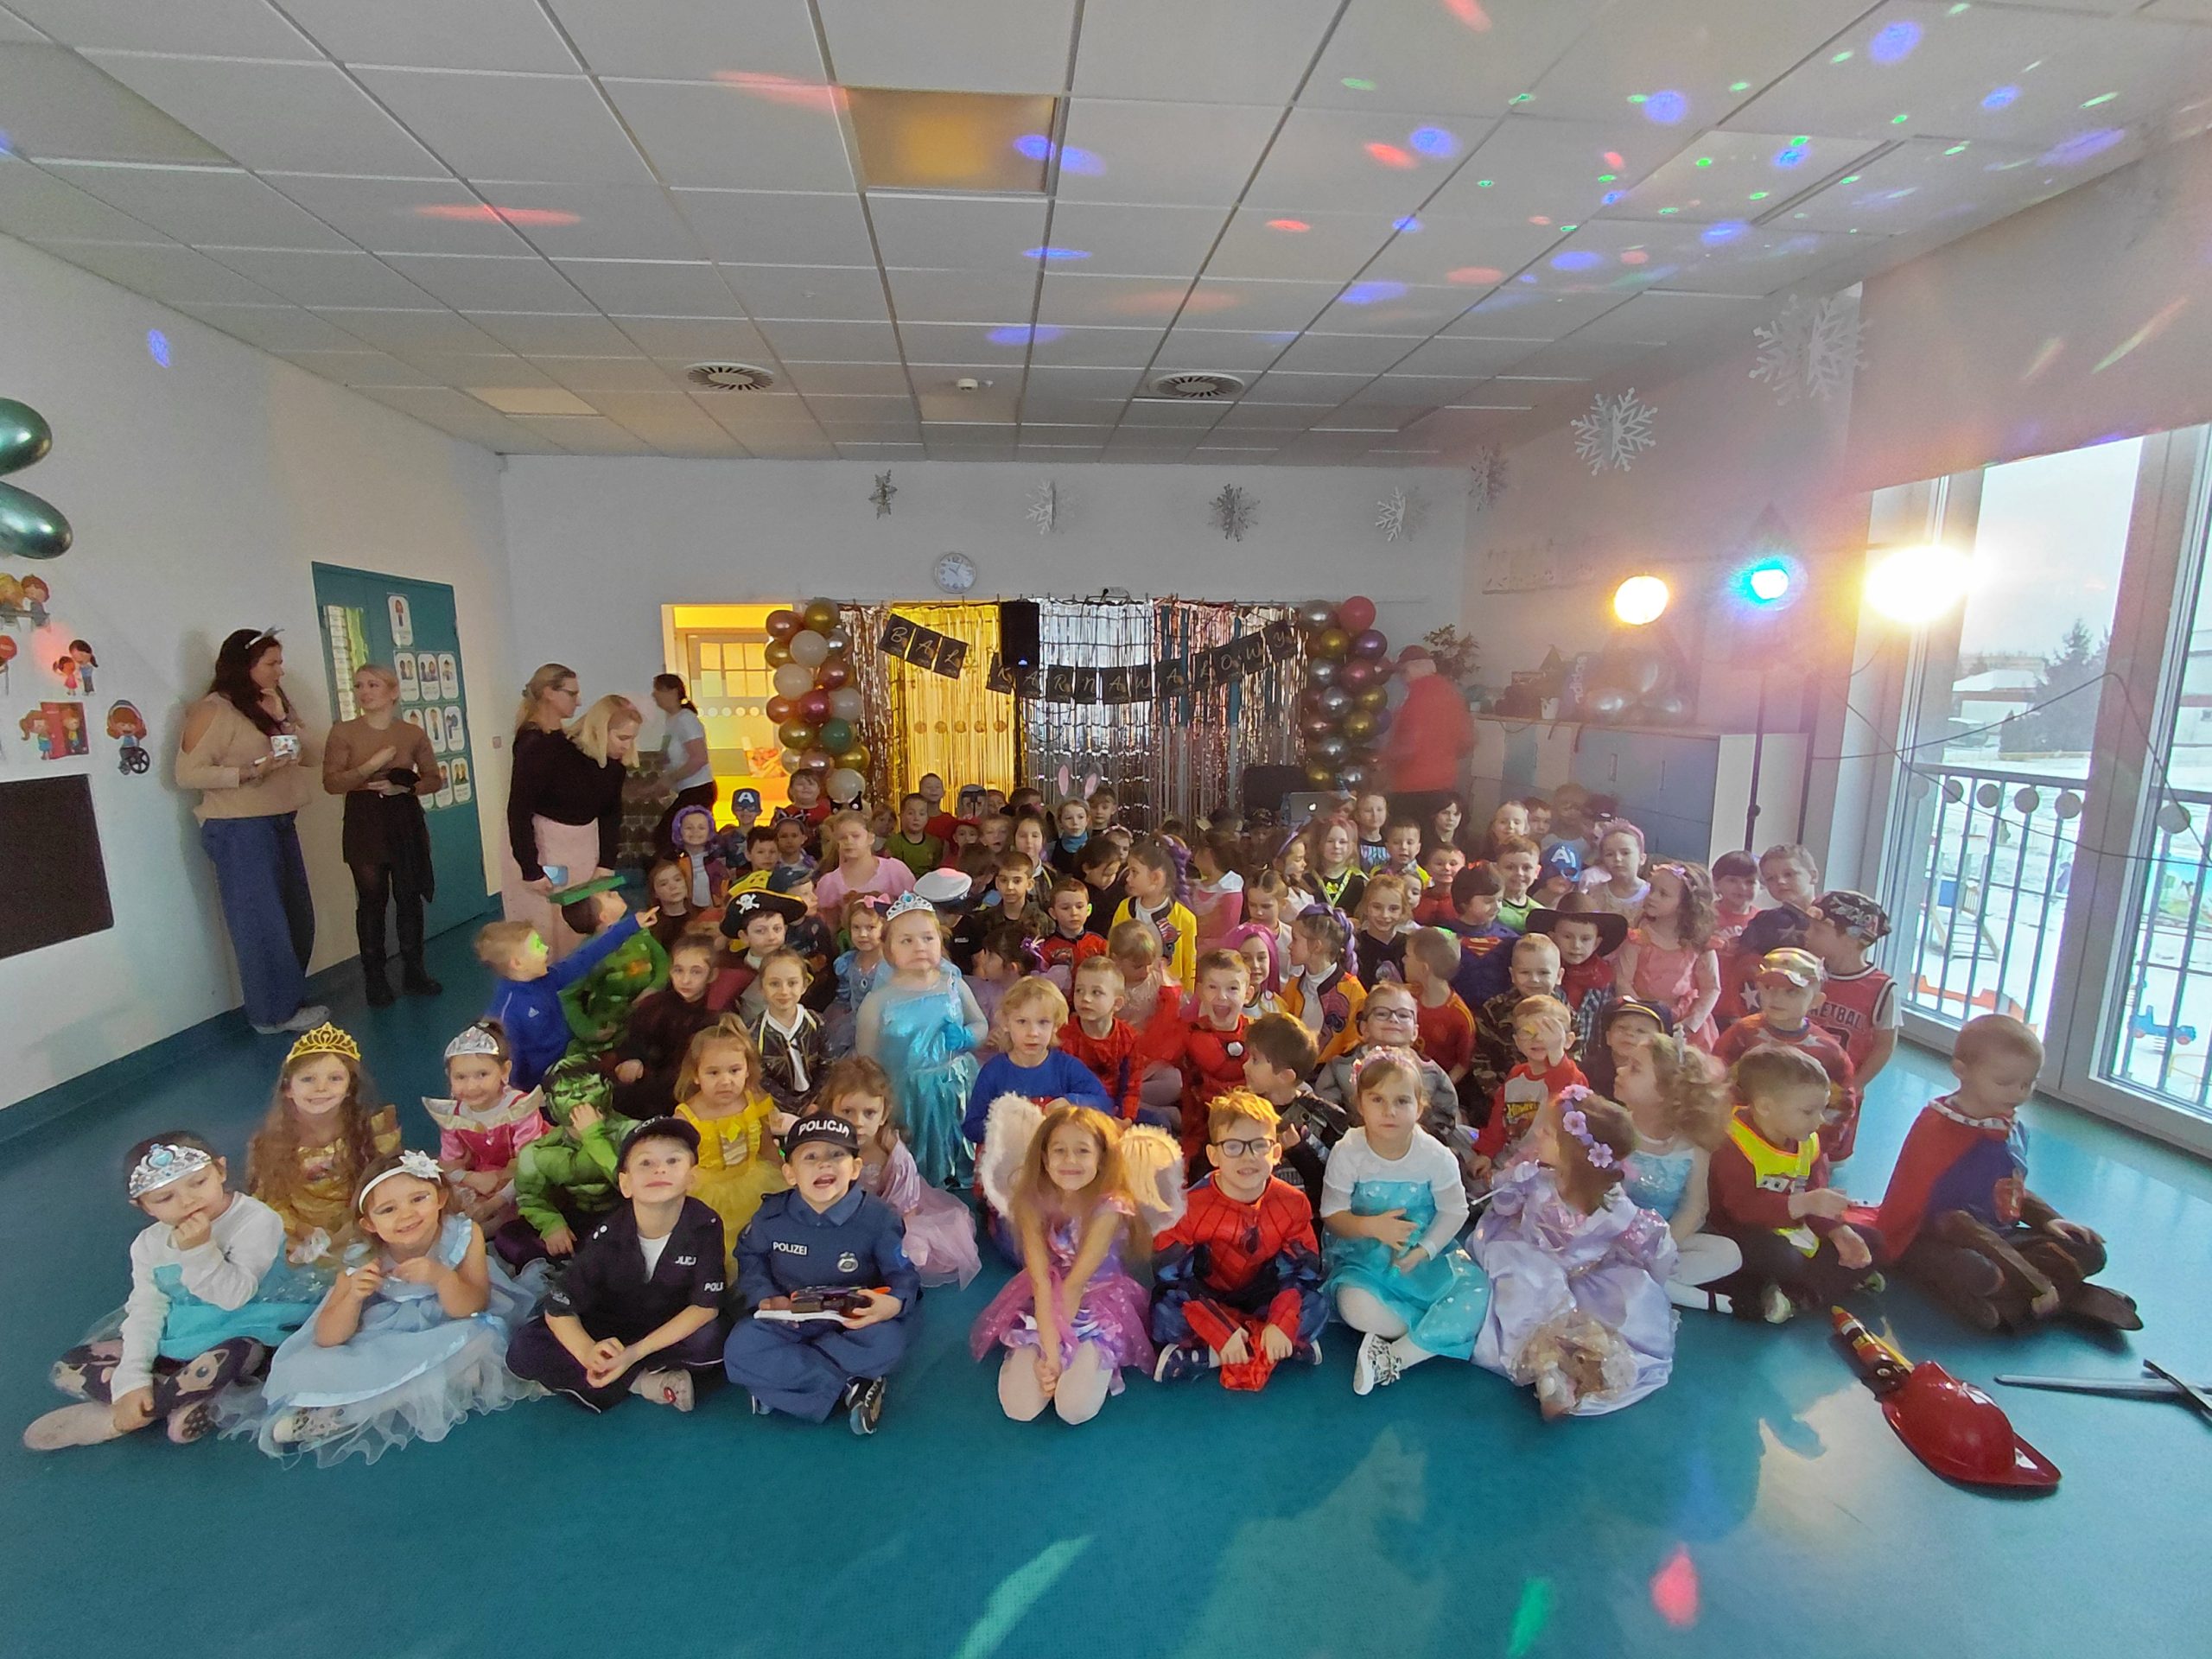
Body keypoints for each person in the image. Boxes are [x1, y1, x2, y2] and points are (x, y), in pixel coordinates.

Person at [219, 1150, 543, 1461]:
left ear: (441, 1198)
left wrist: (442, 1278)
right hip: (389, 1331)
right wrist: (353, 1297)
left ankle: (349, 1412)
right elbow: (328, 1336)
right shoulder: (361, 1255)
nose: (406, 1215)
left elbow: (473, 1305)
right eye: (388, 1210)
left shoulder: (463, 1233)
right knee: (314, 1364)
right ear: (370, 1224)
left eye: (418, 1199)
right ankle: (343, 1408)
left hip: (452, 1318)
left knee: (482, 1337)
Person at [24, 1133, 318, 1452]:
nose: (188, 1201)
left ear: (220, 1171)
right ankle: (165, 1394)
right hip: (181, 1336)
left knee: (236, 1355)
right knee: (69, 1366)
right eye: (165, 1198)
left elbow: (235, 1297)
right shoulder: (148, 1245)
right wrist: (132, 1378)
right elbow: (147, 1308)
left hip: (252, 1329)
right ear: (143, 1207)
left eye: (198, 1182)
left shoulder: (255, 1219)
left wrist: (199, 1250)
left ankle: (121, 1418)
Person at [1876, 1014, 2138, 1332]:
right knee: (1980, 1272)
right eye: (2004, 1083)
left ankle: (2017, 1303)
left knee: (2090, 1250)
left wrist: (2049, 1220)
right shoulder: (1937, 1129)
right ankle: (2050, 1294)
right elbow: (1950, 1221)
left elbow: (2007, 1189)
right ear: (1961, 1071)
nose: (2018, 1093)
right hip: (1942, 1238)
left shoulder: (2008, 1125)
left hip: (2000, 1236)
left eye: (2028, 1084)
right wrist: (2035, 1280)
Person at [1471, 1091, 1676, 1419]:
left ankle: (1565, 1372)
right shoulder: (1537, 1180)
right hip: (1527, 1259)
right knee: (1527, 1280)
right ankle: (1547, 1369)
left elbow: (1657, 1249)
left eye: (1549, 1132)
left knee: (1619, 1308)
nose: (1539, 1133)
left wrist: (1654, 1286)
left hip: (1583, 1277)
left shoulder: (1616, 1209)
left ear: (1576, 1154)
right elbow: (1503, 1207)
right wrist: (1511, 1182)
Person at [506, 1116, 728, 1413]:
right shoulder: (608, 1234)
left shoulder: (706, 1224)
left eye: (673, 1161)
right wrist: (588, 1354)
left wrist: (634, 1353)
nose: (660, 1169)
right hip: (608, 1331)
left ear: (692, 1177)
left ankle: (622, 1375)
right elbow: (559, 1307)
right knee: (525, 1348)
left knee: (716, 1339)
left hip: (665, 1328)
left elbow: (705, 1307)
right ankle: (642, 1382)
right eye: (645, 1163)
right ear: (625, 1184)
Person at [722, 1115, 918, 1433]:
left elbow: (904, 1276)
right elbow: (749, 1256)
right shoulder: (771, 1216)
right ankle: (851, 1386)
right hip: (790, 1319)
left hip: (852, 1323)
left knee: (888, 1343)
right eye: (810, 1157)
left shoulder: (879, 1219)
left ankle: (780, 1386)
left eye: (836, 1155)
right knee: (740, 1348)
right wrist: (766, 1297)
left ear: (855, 1168)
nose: (824, 1164)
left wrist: (893, 1303)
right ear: (790, 1173)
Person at [175, 627, 327, 1035]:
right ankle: (270, 1014)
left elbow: (314, 756)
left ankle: (287, 999)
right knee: (260, 923)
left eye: (280, 661)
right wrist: (247, 773)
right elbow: (187, 773)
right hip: (238, 827)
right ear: (245, 666)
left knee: (296, 917)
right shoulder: (215, 710)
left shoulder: (274, 703)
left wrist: (286, 721)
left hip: (280, 819)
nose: (281, 670)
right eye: (272, 663)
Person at [970, 1103, 1158, 1425]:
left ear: (1102, 1159)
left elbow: (1075, 1284)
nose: (1070, 1160)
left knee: (1073, 1409)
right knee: (1020, 1408)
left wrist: (1062, 1349)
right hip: (1045, 1297)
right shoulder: (1031, 1202)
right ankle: (1031, 1348)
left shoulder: (1110, 1207)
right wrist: (1049, 1354)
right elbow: (1042, 1281)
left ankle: (1092, 1355)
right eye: (1059, 1151)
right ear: (1045, 1158)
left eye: (1082, 1151)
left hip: (1098, 1299)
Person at [1322, 1048, 1487, 1395]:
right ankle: (1432, 1332)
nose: (1390, 1111)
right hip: (1365, 1258)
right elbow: (1333, 1214)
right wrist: (1370, 1227)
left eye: (1402, 1101)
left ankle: (1396, 1356)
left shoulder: (1436, 1156)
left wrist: (1423, 1250)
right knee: (1354, 1307)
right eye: (1377, 1100)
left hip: (1424, 1259)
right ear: (1360, 1103)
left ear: (1419, 1107)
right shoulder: (1348, 1150)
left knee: (1477, 1297)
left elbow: (1455, 1211)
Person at [1150, 1090, 1326, 1389]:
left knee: (1317, 1306)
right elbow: (1171, 1277)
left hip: (1265, 1295)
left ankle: (1209, 1355)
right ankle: (1267, 1347)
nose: (1248, 1156)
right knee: (1164, 1312)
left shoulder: (1294, 1203)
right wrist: (1217, 1328)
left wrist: (1281, 1320)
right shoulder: (1188, 1207)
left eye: (1259, 1145)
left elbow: (1302, 1272)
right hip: (1207, 1294)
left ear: (1276, 1153)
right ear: (1213, 1156)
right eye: (1233, 1146)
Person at [1707, 1046, 1882, 1323]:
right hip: (1742, 1231)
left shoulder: (1808, 1140)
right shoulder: (1732, 1141)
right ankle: (1814, 1289)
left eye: (1822, 1110)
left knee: (1872, 1241)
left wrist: (1837, 1230)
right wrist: (1804, 1204)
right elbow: (1741, 1209)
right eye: (1808, 1111)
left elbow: (1815, 1193)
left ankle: (1792, 1294)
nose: (1819, 1121)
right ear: (1765, 1107)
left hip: (1795, 1228)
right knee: (1781, 1258)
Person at [322, 662, 442, 1007]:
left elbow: (434, 778)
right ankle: (374, 977)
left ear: (393, 692)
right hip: (365, 819)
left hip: (403, 817)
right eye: (359, 685)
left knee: (409, 895)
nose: (365, 692)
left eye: (373, 685)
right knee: (372, 899)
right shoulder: (343, 733)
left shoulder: (412, 733)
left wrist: (406, 788)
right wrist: (370, 766)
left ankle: (414, 972)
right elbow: (332, 782)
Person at [858, 892, 988, 1189]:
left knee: (962, 1145)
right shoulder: (878, 1002)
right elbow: (866, 1064)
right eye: (907, 941)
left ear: (940, 942)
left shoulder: (953, 985)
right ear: (889, 950)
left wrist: (967, 1036)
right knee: (917, 1158)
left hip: (956, 1087)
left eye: (928, 938)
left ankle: (966, 1186)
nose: (920, 947)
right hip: (909, 1097)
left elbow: (980, 1024)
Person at [248, 1022, 400, 1268]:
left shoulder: (374, 1130)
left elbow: (388, 1184)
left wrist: (354, 1227)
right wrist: (303, 1231)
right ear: (288, 1088)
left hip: (367, 1228)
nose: (321, 1088)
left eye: (335, 1078)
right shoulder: (271, 1143)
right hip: (304, 1240)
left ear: (349, 1088)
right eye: (308, 1079)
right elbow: (272, 1201)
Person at [822, 1056, 981, 1288]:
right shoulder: (823, 1145)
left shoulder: (894, 1156)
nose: (857, 1122)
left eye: (869, 1113)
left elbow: (905, 1210)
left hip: (888, 1218)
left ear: (884, 1115)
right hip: (836, 1217)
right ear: (830, 1110)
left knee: (906, 1254)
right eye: (847, 1111)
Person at [1614, 1031, 1742, 1313]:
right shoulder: (1614, 1129)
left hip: (1664, 1241)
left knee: (1729, 1253)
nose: (1621, 1070)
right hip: (1613, 1238)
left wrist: (1662, 1246)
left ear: (1668, 1094)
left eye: (1634, 1068)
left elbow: (1695, 1207)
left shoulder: (1693, 1146)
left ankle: (1640, 1282)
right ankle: (1706, 1301)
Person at [506, 691, 640, 960]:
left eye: (632, 739)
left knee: (582, 914)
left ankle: (578, 970)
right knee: (544, 916)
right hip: (544, 843)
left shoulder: (615, 767)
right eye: (622, 738)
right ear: (601, 731)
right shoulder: (558, 753)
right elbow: (519, 811)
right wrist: (530, 868)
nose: (627, 746)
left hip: (582, 844)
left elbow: (611, 815)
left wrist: (606, 862)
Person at [476, 906, 646, 1092]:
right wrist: (525, 1097)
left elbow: (585, 958)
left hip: (568, 1059)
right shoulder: (506, 1013)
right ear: (517, 963)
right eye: (537, 946)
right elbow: (508, 1063)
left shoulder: (546, 978)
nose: (546, 949)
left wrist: (631, 925)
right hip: (541, 1083)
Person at [1713, 948, 1859, 1161]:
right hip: (1741, 1146)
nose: (1776, 998)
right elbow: (1717, 1084)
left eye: (1791, 992)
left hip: (1801, 1153)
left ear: (1816, 1000)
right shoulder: (1741, 1035)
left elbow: (1841, 1105)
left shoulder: (1828, 1051)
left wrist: (1816, 1144)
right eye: (1768, 987)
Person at [674, 1015, 789, 1270]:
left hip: (756, 1182)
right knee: (720, 1249)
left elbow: (767, 1146)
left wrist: (786, 1174)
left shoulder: (754, 1100)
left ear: (747, 1070)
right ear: (695, 1075)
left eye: (734, 1071)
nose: (725, 1081)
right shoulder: (687, 1116)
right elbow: (680, 1163)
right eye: (713, 1073)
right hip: (708, 1194)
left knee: (763, 1239)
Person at [424, 1020, 548, 1248]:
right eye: (461, 1077)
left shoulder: (519, 1109)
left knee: (528, 1199)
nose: (471, 1086)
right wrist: (472, 1179)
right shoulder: (454, 1116)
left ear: (504, 1071)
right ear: (449, 1077)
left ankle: (476, 1236)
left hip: (521, 1176)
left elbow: (531, 1166)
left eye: (482, 1074)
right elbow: (450, 1165)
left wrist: (494, 1203)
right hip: (482, 1177)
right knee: (440, 1195)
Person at [509, 1058, 630, 1265]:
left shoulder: (632, 1133)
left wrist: (594, 1137)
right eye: (565, 1093)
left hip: (626, 1219)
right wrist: (551, 1224)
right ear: (550, 1102)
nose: (578, 1097)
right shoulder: (538, 1150)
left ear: (608, 1089)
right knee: (509, 1238)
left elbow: (635, 1186)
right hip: (577, 1220)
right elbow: (529, 1197)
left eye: (589, 1087)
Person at [963, 976, 1113, 1142]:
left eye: (1043, 1022)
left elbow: (1105, 1103)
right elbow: (971, 1127)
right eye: (1022, 1022)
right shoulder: (993, 1072)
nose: (1033, 1032)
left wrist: (1071, 1102)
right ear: (1006, 1023)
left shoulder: (1066, 1067)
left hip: (1054, 1154)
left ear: (1056, 1025)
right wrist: (1003, 1126)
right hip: (1008, 1155)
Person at [1474, 994, 1587, 1179]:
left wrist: (1556, 1051)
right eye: (1528, 1032)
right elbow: (1498, 1119)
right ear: (1517, 1041)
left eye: (1548, 1031)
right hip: (1510, 1153)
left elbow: (1566, 1091)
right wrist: (1486, 1153)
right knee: (1461, 1136)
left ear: (1567, 1040)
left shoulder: (1571, 1076)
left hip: (1547, 1163)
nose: (1538, 1038)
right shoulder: (1516, 1075)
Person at [607, 937, 719, 1119]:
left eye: (696, 972)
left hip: (682, 1094)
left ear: (712, 975)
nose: (685, 980)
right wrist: (631, 1059)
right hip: (640, 1085)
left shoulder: (713, 1017)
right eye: (678, 970)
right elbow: (633, 1039)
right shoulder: (654, 1005)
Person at [557, 880, 671, 1058]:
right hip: (612, 1034)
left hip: (650, 1020)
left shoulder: (640, 934)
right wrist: (589, 1030)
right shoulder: (587, 955)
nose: (617, 893)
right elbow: (567, 997)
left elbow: (662, 961)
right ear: (604, 916)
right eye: (610, 895)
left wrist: (655, 987)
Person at [1243, 1013, 1344, 1213]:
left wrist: (1299, 1151)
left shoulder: (1325, 1118)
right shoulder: (1240, 1110)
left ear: (1285, 1076)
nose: (1245, 1065)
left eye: (1255, 1060)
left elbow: (1333, 1183)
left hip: (1305, 1219)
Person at [1615, 859, 1721, 1048]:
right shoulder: (1637, 939)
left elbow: (1711, 987)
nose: (1652, 897)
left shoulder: (1699, 943)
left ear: (1685, 905)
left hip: (1685, 1025)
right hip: (1644, 1020)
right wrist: (1645, 1017)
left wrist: (1691, 1023)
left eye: (1663, 894)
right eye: (1652, 889)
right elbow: (1623, 981)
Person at [1803, 889, 1899, 1095]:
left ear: (1850, 938)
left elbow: (1884, 1046)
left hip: (1840, 1090)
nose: (1807, 934)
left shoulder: (1882, 988)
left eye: (1818, 930)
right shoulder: (1806, 972)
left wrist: (1856, 1085)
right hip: (1797, 1081)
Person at [1467, 933, 1563, 1116]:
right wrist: (1500, 1094)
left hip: (1552, 1100)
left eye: (1543, 973)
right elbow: (1481, 1058)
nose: (1534, 979)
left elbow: (1574, 1059)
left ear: (1559, 976)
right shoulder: (1494, 1009)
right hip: (1501, 1098)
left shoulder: (1566, 1015)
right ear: (1512, 975)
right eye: (1525, 973)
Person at [1523, 895, 1626, 1058]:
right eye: (1567, 937)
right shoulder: (1543, 974)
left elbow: (1604, 1024)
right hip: (1546, 1055)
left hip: (1588, 1059)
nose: (1576, 945)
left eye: (1585, 939)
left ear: (1596, 943)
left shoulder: (1603, 978)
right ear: (1552, 937)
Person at [1059, 957, 1147, 1122]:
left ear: (1117, 1003)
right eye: (1079, 990)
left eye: (1096, 992)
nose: (1085, 998)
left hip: (1115, 1109)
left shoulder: (1129, 1038)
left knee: (1160, 1122)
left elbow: (1131, 1088)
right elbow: (1061, 1088)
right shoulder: (1064, 1037)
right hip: (1076, 1110)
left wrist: (1126, 1119)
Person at [1112, 837, 1198, 993]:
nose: (1128, 878)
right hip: (1126, 989)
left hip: (1167, 994)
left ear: (1155, 877)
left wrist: (1187, 997)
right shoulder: (1124, 908)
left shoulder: (1185, 918)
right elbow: (1111, 950)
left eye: (1134, 872)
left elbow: (1189, 965)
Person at [750, 949, 828, 1116]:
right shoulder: (755, 1032)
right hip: (780, 1109)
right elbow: (762, 1079)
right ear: (762, 987)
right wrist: (798, 1108)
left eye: (792, 983)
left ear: (804, 985)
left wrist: (815, 1102)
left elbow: (828, 1065)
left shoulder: (816, 1022)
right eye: (774, 984)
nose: (784, 991)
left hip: (819, 1103)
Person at [649, 673, 716, 856]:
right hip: (686, 789)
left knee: (667, 835)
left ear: (672, 692)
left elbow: (699, 758)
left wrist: (671, 778)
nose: (654, 694)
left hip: (698, 789)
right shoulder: (672, 720)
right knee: (667, 836)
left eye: (658, 690)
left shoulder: (686, 719)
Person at [814, 807, 918, 916]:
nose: (849, 841)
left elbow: (914, 909)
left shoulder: (894, 870)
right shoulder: (829, 883)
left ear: (871, 837)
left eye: (855, 836)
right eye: (842, 837)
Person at [1577, 819, 1650, 925]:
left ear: (1642, 858)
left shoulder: (1650, 896)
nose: (1618, 859)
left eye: (1625, 853)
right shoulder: (1594, 893)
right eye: (1609, 854)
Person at [1188, 830, 1247, 951]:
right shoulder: (1196, 886)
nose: (1193, 857)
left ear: (1208, 853)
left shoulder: (1230, 889)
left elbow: (1226, 930)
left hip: (1219, 952)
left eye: (1196, 851)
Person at [1305, 816, 1368, 915]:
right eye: (1330, 841)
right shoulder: (1307, 879)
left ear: (1351, 846)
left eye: (1342, 842)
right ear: (1319, 843)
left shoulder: (1360, 882)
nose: (1336, 846)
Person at [1491, 836, 1542, 933]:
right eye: (1510, 867)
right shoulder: (1488, 908)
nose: (1519, 873)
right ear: (1496, 869)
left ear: (1537, 871)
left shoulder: (1541, 914)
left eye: (1526, 868)